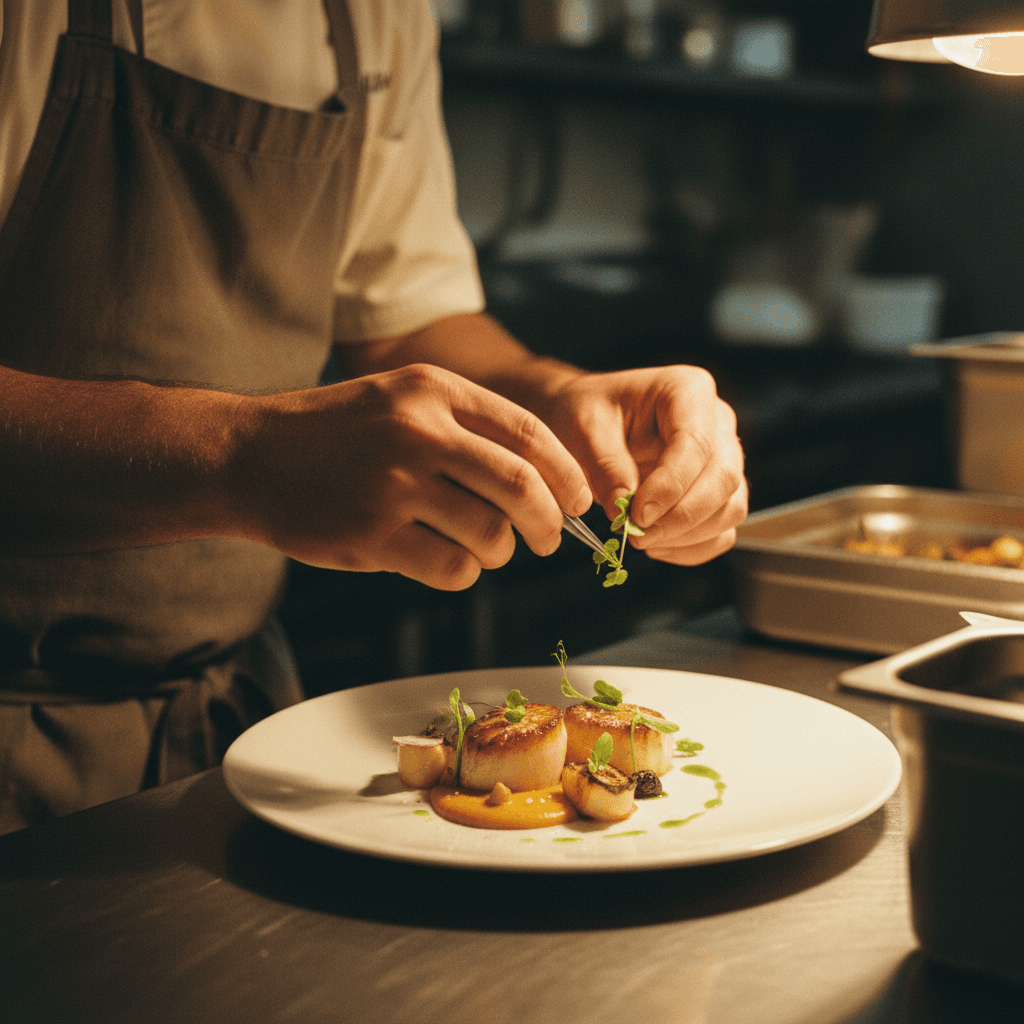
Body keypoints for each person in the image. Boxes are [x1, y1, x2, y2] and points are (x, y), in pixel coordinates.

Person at [0, 0, 747, 834]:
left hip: (226, 719)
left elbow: (401, 322)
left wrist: (556, 401)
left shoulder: (378, 13)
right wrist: (242, 457)